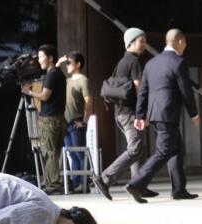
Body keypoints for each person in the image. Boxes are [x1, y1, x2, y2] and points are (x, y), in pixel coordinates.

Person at [126, 28, 200, 202]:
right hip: (168, 113)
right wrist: (194, 113)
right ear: (180, 42)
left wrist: (140, 116)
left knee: (177, 150)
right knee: (164, 151)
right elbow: (185, 91)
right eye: (185, 43)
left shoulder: (151, 63)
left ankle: (179, 189)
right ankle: (136, 183)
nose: (185, 46)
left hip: (155, 114)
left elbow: (143, 92)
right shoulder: (178, 62)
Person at [95, 28, 151, 201]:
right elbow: (139, 89)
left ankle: (139, 186)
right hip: (130, 113)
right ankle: (104, 179)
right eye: (141, 41)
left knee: (138, 148)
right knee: (135, 149)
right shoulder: (134, 62)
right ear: (131, 42)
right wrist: (143, 113)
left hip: (120, 113)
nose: (144, 44)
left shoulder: (121, 62)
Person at [22, 45, 67, 193]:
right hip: (60, 118)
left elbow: (45, 96)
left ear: (50, 58)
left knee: (50, 152)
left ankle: (53, 185)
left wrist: (29, 92)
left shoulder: (51, 75)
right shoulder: (59, 73)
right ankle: (54, 183)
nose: (39, 60)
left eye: (41, 57)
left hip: (49, 119)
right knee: (54, 152)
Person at [60, 51, 93, 191]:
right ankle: (75, 182)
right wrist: (59, 63)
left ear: (78, 64)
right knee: (71, 154)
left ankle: (83, 183)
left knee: (79, 153)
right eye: (66, 63)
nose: (67, 65)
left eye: (69, 63)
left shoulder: (83, 80)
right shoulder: (66, 81)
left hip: (76, 121)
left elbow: (89, 101)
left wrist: (84, 121)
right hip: (65, 122)